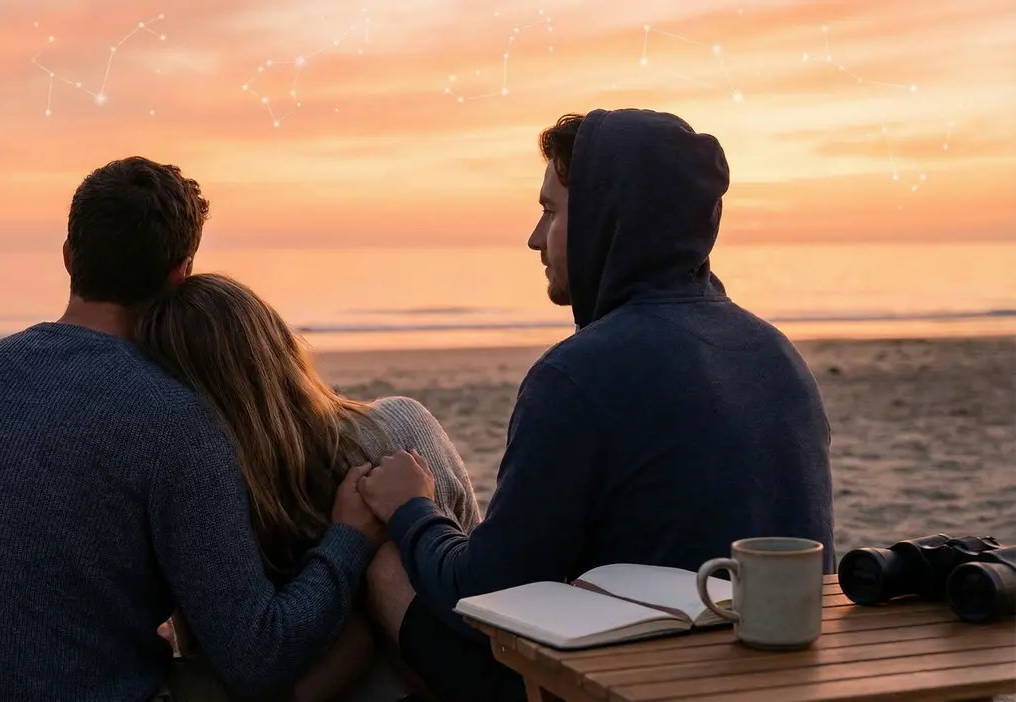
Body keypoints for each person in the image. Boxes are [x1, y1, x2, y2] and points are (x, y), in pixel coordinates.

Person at [354, 108, 836, 701]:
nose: (534, 236)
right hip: (782, 678)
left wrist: (412, 509)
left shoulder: (577, 374)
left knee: (388, 571)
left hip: (631, 685)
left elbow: (483, 593)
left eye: (551, 211)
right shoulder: (774, 351)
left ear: (609, 218)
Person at [0, 156, 383, 702]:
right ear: (180, 273)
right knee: (364, 634)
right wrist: (349, 539)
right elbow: (259, 656)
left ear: (69, 256)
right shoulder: (173, 420)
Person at [134, 272, 482, 701]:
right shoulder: (396, 428)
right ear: (277, 346)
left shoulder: (204, 489)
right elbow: (467, 571)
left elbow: (215, 649)